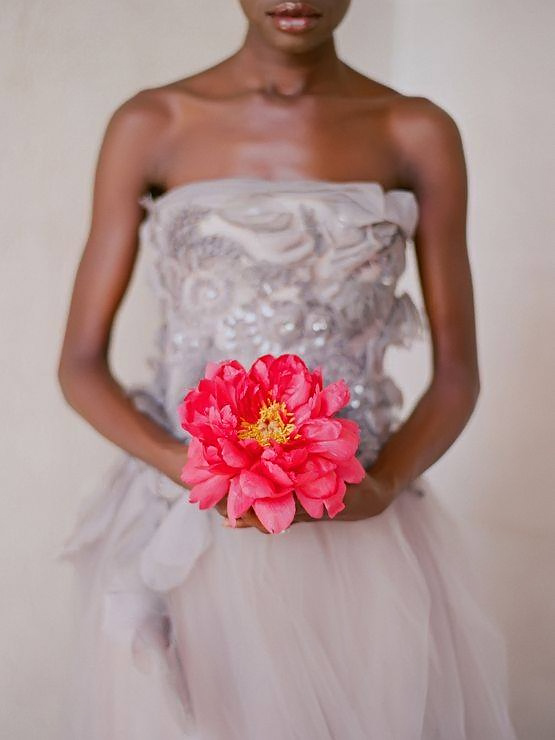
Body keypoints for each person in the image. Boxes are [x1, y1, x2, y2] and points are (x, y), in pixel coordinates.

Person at [57, 1, 518, 738]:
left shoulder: (415, 130)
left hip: (359, 524)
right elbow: (79, 363)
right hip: (188, 517)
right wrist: (183, 466)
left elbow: (458, 372)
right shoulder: (153, 123)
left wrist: (384, 485)